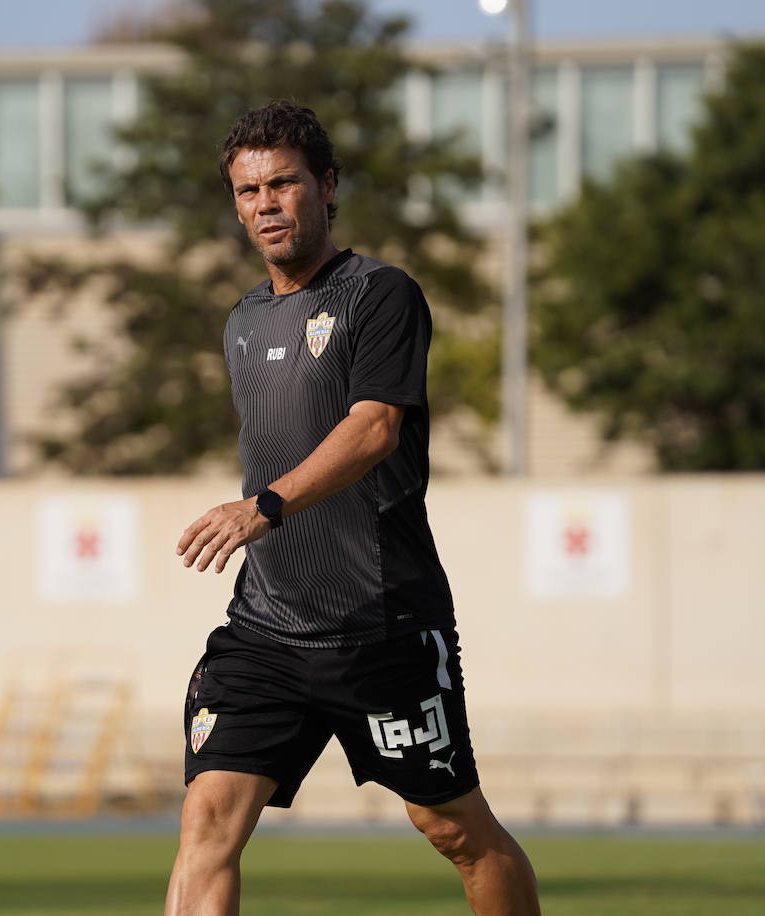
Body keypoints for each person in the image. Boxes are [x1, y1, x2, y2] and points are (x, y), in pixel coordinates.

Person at [164, 100, 541, 916]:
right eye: (247, 190)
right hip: (264, 631)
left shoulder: (380, 296)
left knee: (453, 831)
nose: (265, 204)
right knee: (207, 820)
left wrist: (262, 508)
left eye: (283, 184)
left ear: (326, 187)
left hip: (382, 629)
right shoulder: (241, 322)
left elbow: (373, 430)